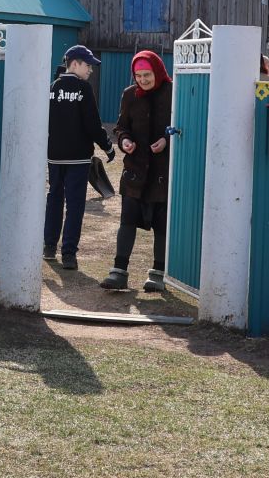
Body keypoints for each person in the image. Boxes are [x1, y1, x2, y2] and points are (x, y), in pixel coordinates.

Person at [101, 49, 173, 293]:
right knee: (127, 220)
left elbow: (182, 127)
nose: (142, 80)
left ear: (158, 71)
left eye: (147, 75)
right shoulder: (129, 95)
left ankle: (158, 273)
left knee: (162, 225)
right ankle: (119, 272)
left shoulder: (173, 92)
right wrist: (124, 142)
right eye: (138, 75)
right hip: (135, 170)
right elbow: (121, 127)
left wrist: (166, 141)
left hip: (162, 172)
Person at [44, 44, 113, 270]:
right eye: (88, 65)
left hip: (54, 156)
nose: (91, 70)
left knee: (54, 199)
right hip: (78, 159)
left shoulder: (52, 87)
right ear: (74, 63)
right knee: (75, 205)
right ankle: (69, 254)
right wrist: (108, 147)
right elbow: (93, 124)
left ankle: (49, 247)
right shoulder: (84, 89)